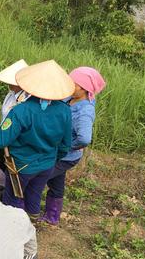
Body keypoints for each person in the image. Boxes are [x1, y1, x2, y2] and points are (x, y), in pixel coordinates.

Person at [0, 60, 73, 220]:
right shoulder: (64, 110)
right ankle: (31, 225)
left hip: (21, 166)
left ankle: (11, 226)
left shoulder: (22, 110)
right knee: (34, 197)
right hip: (46, 166)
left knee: (13, 198)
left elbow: (0, 140)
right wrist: (51, 159)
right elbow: (65, 145)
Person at [40, 67, 106, 226]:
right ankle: (52, 215)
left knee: (38, 176)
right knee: (56, 181)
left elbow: (84, 138)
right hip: (57, 152)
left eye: (74, 84)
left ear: (84, 89)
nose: (70, 85)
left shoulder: (85, 111)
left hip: (66, 156)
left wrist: (66, 147)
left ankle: (28, 210)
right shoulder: (69, 97)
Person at [0, 59, 29, 171]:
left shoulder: (27, 99)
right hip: (5, 139)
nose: (8, 84)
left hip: (14, 144)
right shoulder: (10, 94)